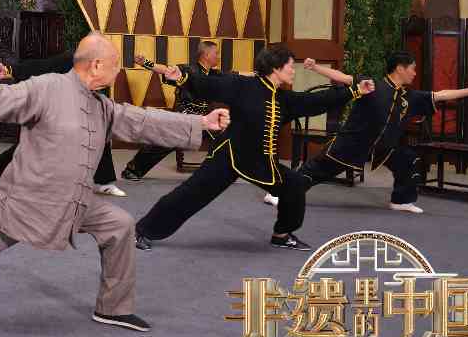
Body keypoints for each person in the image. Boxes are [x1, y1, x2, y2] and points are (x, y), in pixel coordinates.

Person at [0, 32, 230, 335]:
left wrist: (200, 124)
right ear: (96, 65)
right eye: (115, 65)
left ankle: (113, 307)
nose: (118, 71)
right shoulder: (48, 87)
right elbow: (2, 99)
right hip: (24, 201)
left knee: (119, 225)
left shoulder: (101, 105)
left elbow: (140, 121)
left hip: (74, 201)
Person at [134, 45, 374, 252]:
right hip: (230, 156)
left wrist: (354, 91)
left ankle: (281, 235)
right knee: (190, 194)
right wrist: (182, 78)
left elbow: (315, 102)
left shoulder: (283, 99)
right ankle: (142, 230)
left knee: (294, 185)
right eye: (290, 66)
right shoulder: (244, 86)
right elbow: (209, 85)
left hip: (261, 163)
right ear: (276, 68)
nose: (293, 71)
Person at [267, 53, 468, 214]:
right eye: (412, 68)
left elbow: (439, 95)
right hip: (351, 143)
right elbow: (344, 78)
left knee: (407, 160)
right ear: (400, 68)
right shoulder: (374, 85)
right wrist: (316, 67)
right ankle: (278, 193)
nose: (414, 73)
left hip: (383, 146)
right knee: (316, 170)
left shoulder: (409, 97)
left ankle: (401, 200)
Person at [0, 50, 127, 197]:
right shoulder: (72, 59)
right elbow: (41, 66)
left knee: (99, 134)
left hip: (79, 107)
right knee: (29, 145)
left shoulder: (100, 66)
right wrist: (9, 70)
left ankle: (103, 182)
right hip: (52, 107)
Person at [121, 41, 222, 181]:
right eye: (216, 53)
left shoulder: (214, 74)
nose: (219, 56)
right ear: (206, 55)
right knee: (164, 142)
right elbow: (165, 70)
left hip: (203, 119)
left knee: (224, 138)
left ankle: (227, 171)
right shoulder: (189, 69)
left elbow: (235, 78)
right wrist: (145, 63)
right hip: (185, 117)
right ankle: (133, 169)